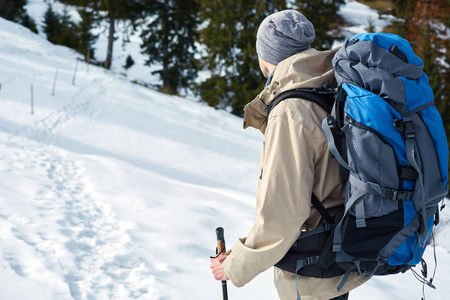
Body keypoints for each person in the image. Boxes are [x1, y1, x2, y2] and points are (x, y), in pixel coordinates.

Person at [209, 10, 369, 300]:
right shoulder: (327, 87)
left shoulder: (291, 112)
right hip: (336, 258)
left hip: (311, 273)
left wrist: (234, 266)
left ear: (266, 56)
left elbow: (282, 216)